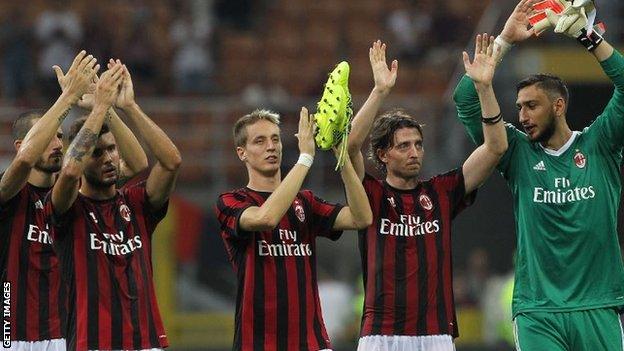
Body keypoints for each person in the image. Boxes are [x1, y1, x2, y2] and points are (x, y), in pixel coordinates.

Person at [453, 1, 624, 349]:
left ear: (558, 106)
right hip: (538, 312)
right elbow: (465, 101)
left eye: (531, 106)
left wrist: (586, 35)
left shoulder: (600, 143)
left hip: (598, 305)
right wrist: (504, 40)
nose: (522, 116)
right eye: (518, 108)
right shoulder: (515, 152)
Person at [347, 37, 507, 351]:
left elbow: (496, 147)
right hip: (381, 334)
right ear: (382, 155)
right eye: (403, 146)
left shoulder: (442, 192)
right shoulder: (370, 194)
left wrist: (485, 88)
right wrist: (380, 91)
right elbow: (350, 146)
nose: (414, 152)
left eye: (418, 144)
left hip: (436, 335)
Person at [1, 51, 146, 351]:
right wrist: (67, 98)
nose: (57, 144)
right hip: (12, 335)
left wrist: (105, 109)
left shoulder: (74, 192)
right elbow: (27, 158)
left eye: (59, 136)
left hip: (68, 334)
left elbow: (135, 164)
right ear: (20, 144)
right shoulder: (9, 191)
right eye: (47, 138)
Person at [47, 61, 181, 351]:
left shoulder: (135, 204)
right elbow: (69, 172)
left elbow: (171, 162)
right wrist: (98, 108)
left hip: (146, 343)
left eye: (111, 150)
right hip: (93, 343)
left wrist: (124, 107)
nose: (108, 158)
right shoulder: (67, 210)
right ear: (82, 159)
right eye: (97, 153)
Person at [215, 108, 372, 351]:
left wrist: (342, 159)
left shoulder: (306, 202)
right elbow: (266, 218)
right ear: (241, 153)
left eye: (275, 139)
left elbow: (361, 218)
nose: (271, 146)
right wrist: (305, 158)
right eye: (260, 140)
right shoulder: (231, 201)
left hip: (312, 342)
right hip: (258, 344)